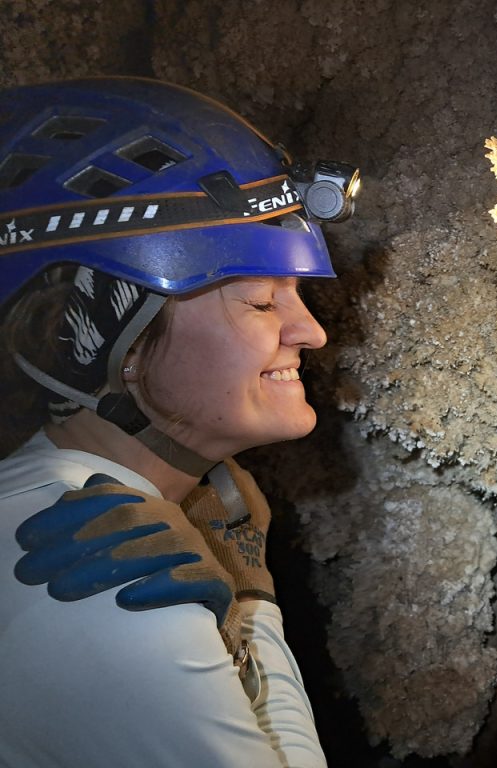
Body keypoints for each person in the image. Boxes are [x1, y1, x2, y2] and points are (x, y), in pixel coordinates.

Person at [0, 77, 359, 767]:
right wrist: (250, 610)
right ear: (121, 348)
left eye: (295, 295)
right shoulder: (114, 581)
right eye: (259, 301)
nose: (309, 331)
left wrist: (243, 577)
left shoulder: (49, 501)